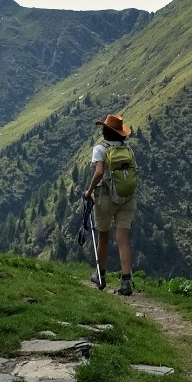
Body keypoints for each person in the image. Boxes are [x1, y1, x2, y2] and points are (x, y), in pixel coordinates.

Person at [84, 113, 136, 295]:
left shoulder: (100, 149)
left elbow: (99, 173)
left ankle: (100, 275)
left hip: (105, 197)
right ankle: (126, 281)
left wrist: (89, 192)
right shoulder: (128, 150)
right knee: (123, 240)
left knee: (103, 238)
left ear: (105, 131)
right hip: (127, 197)